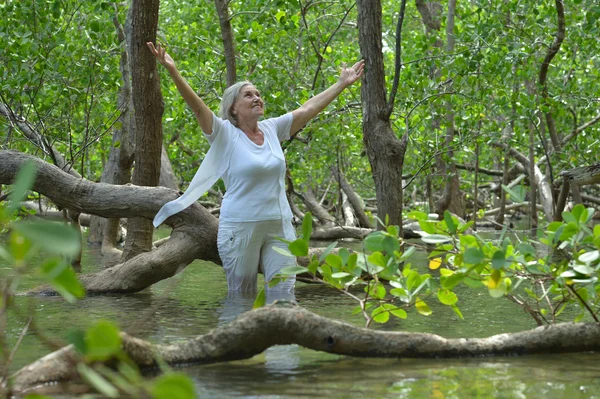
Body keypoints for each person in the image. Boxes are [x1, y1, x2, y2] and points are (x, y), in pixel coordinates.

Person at [148, 41, 364, 295]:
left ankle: (282, 335)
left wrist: (341, 84)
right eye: (248, 95)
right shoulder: (224, 133)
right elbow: (197, 108)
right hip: (240, 228)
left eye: (258, 94)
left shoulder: (273, 128)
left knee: (284, 295)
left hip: (279, 226)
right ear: (233, 108)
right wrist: (173, 70)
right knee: (242, 296)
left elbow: (309, 108)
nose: (257, 98)